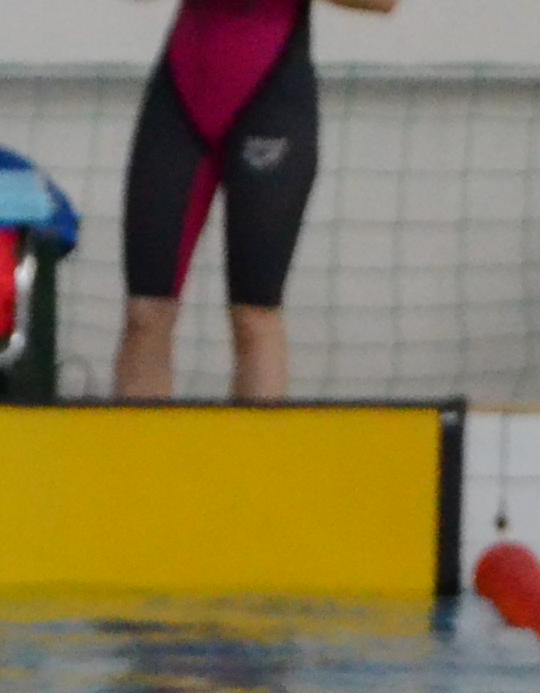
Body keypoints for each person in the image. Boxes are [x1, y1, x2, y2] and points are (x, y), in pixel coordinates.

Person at [114, 0, 396, 405]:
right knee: (146, 311)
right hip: (181, 92)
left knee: (254, 313)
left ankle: (256, 462)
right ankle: (134, 461)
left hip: (271, 98)